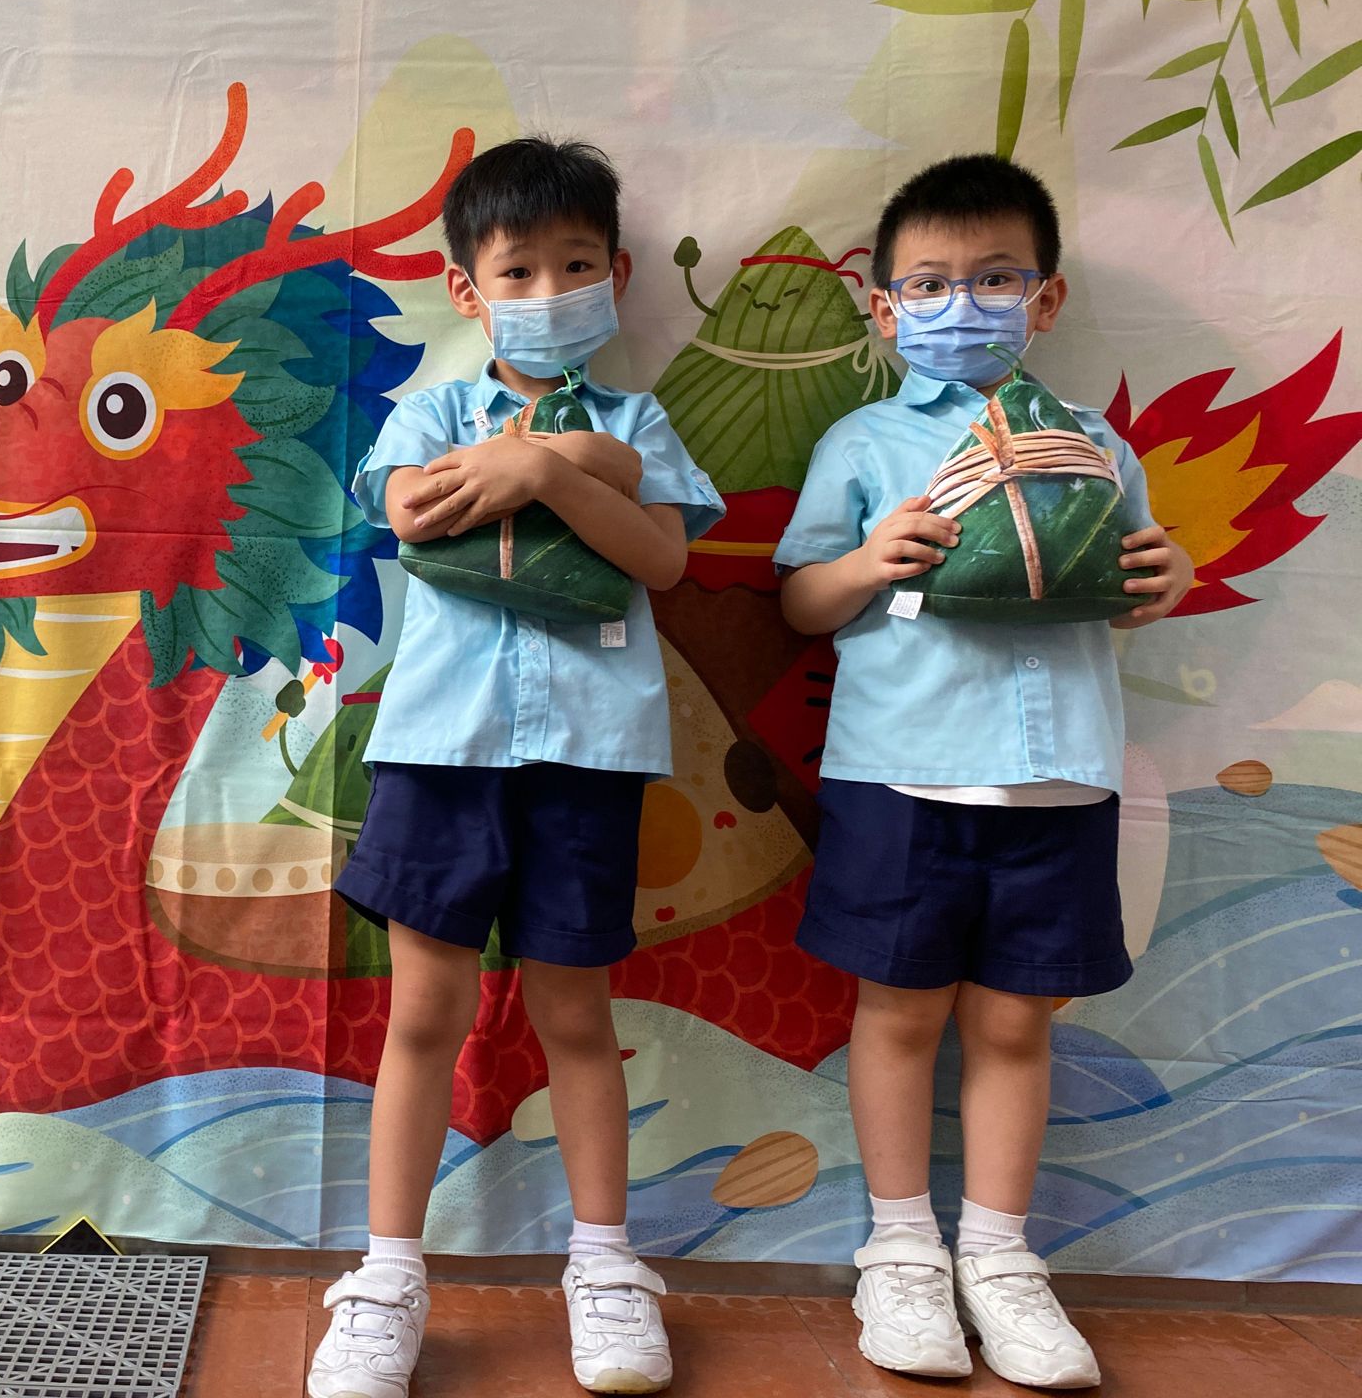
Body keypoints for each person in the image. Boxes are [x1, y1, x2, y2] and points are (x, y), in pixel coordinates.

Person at [305, 137, 724, 1398]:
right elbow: (409, 512)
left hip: (589, 758)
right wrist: (549, 466)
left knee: (575, 1018)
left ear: (617, 275)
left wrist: (547, 465)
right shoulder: (435, 413)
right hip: (441, 753)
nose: (550, 291)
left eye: (576, 265)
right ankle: (386, 1277)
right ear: (465, 289)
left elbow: (660, 559)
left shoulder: (637, 422)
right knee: (421, 1017)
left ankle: (603, 1267)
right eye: (519, 270)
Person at [775, 154, 1194, 1390]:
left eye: (994, 278)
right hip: (897, 774)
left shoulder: (1094, 448)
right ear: (882, 305)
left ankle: (1002, 1259)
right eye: (927, 283)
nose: (960, 303)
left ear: (1043, 298)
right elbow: (798, 604)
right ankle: (900, 1251)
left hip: (1059, 777)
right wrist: (868, 561)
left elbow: (1124, 590)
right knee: (898, 1016)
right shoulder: (861, 442)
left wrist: (1160, 583)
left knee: (1015, 1024)